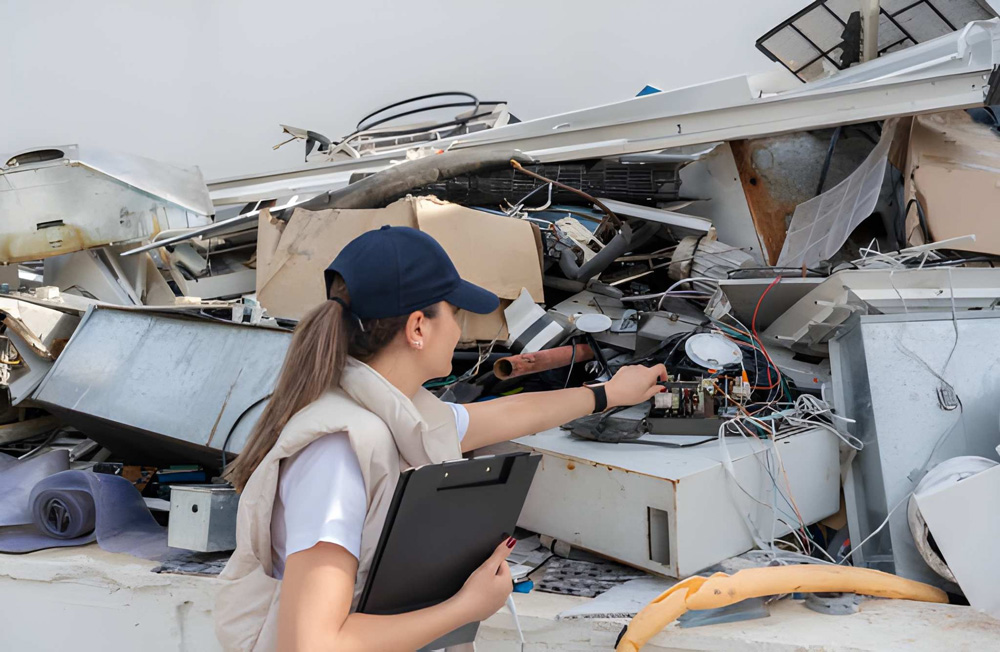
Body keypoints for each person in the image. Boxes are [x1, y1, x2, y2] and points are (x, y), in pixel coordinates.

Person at [214, 225, 666, 651]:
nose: (459, 328)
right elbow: (312, 643)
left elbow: (508, 413)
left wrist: (609, 393)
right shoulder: (337, 452)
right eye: (454, 312)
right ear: (417, 327)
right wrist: (464, 609)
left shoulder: (395, 411)